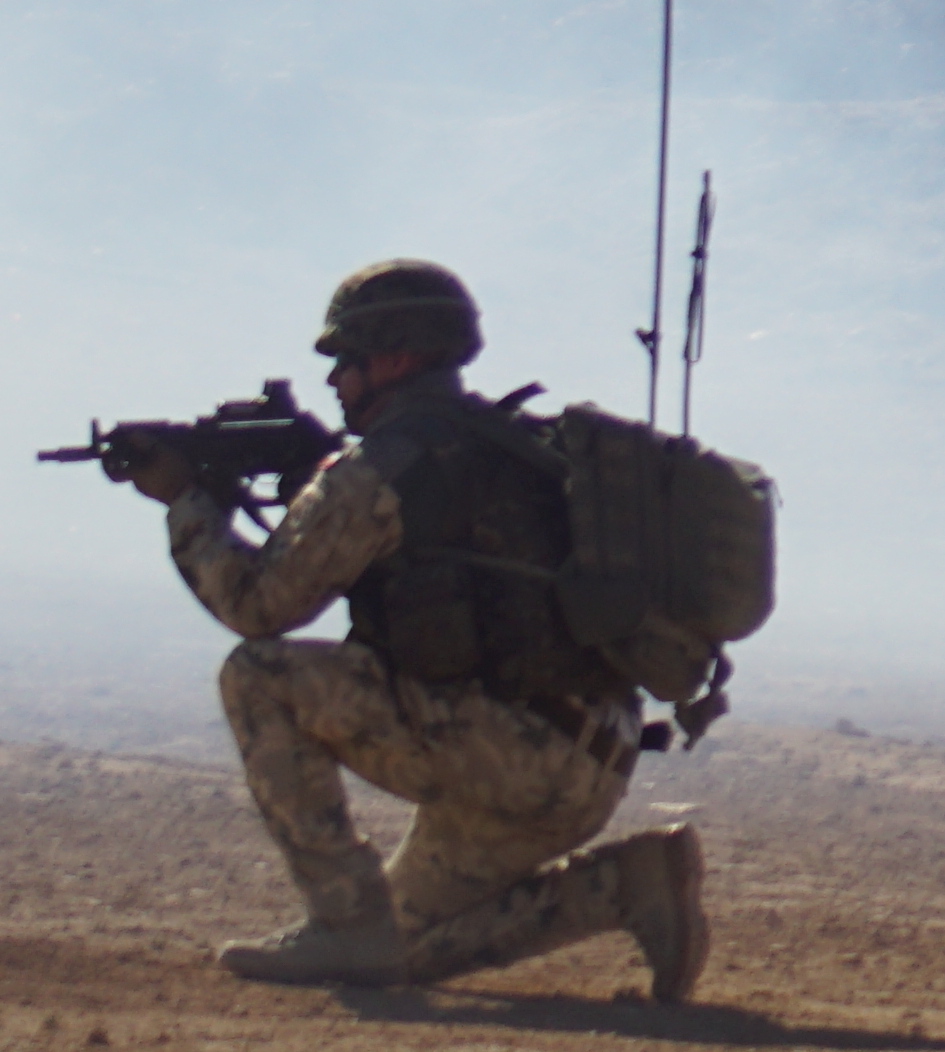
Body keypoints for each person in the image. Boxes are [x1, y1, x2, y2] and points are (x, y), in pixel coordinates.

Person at [117, 259, 710, 997]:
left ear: (395, 355)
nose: (335, 380)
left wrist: (188, 503)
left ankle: (340, 918)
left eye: (346, 360)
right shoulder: (505, 441)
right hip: (587, 754)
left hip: (506, 752)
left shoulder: (385, 467)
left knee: (257, 673)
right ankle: (629, 884)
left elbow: (259, 605)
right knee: (398, 954)